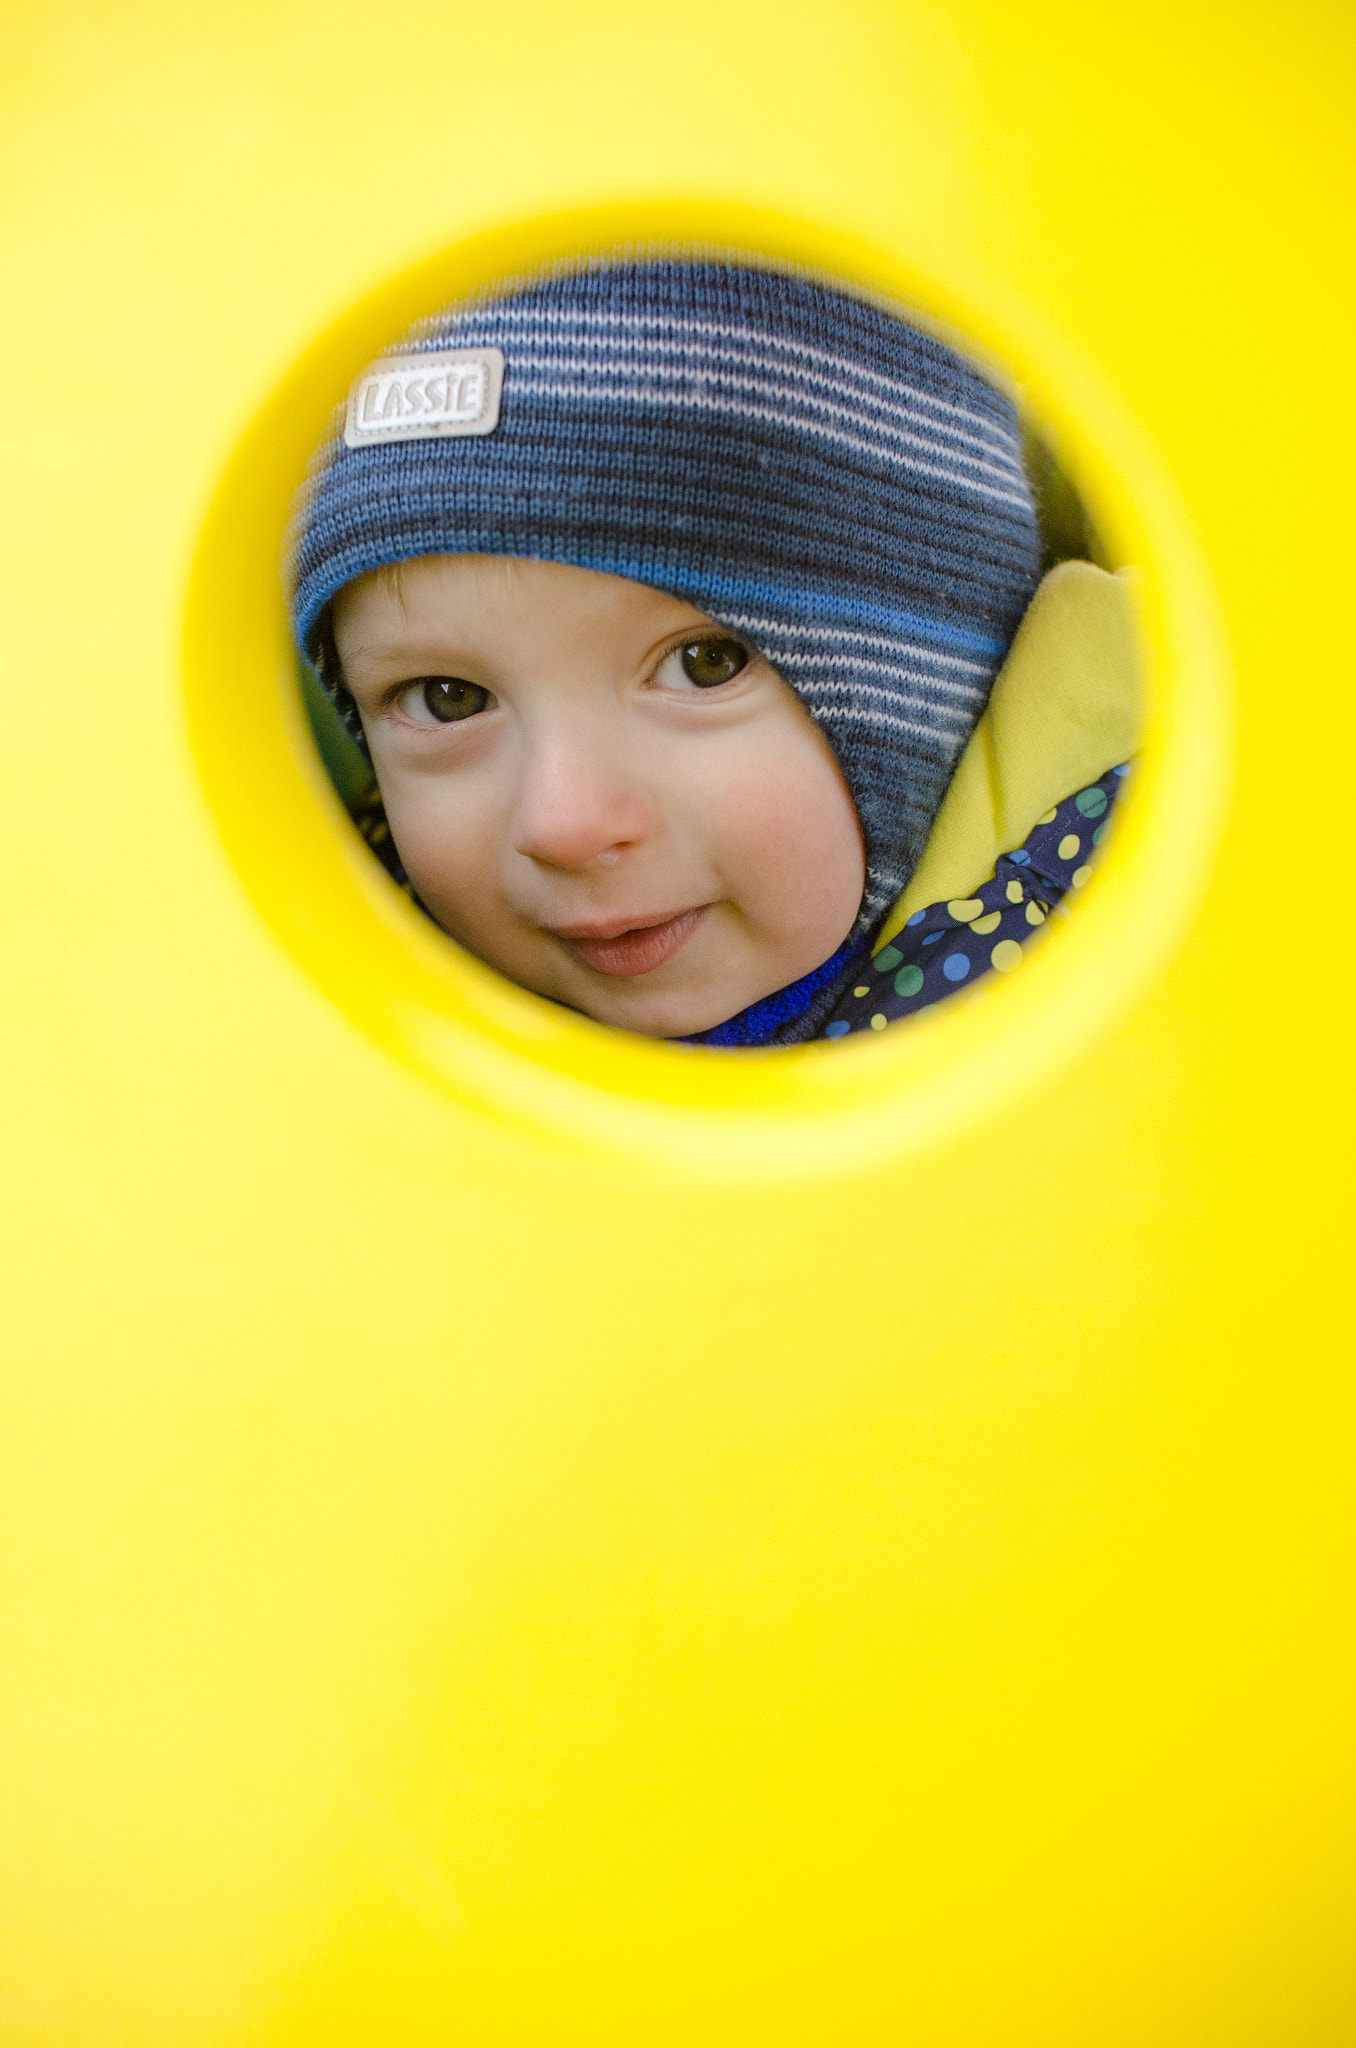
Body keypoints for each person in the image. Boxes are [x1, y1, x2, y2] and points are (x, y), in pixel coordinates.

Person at [289, 257, 1138, 1046]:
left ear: (926, 683)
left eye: (704, 664)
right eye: (448, 698)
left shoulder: (1138, 943)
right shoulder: (341, 957)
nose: (564, 824)